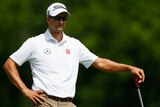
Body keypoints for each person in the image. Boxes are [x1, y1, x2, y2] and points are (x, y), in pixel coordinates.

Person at [3, 2, 145, 107]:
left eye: (64, 18)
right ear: (48, 19)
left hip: (68, 103)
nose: (61, 21)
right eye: (57, 17)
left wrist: (129, 68)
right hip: (43, 102)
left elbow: (100, 63)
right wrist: (25, 90)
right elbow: (9, 65)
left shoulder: (74, 44)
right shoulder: (34, 42)